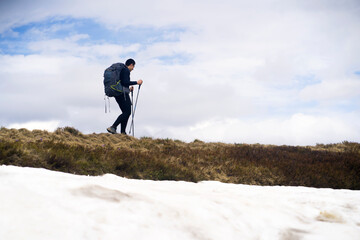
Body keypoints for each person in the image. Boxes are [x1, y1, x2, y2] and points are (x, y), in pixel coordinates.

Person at [107, 59, 143, 134]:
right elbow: (125, 82)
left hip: (118, 94)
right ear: (131, 65)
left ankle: (123, 132)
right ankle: (113, 127)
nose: (133, 69)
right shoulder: (126, 70)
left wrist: (129, 90)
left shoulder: (122, 70)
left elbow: (122, 83)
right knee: (127, 112)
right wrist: (137, 82)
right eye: (133, 66)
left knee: (125, 112)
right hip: (122, 94)